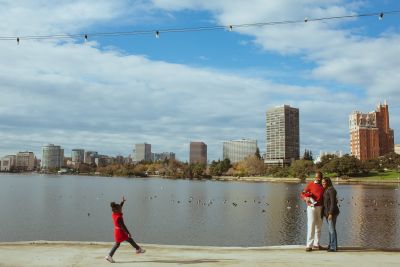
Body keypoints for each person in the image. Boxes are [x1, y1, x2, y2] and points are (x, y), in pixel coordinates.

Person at [105, 196, 145, 263]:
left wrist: (122, 202)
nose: (121, 209)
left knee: (129, 240)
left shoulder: (114, 214)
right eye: (120, 209)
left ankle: (138, 249)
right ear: (117, 210)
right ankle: (109, 256)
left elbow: (119, 207)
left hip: (118, 231)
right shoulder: (118, 217)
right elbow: (123, 226)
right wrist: (128, 233)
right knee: (118, 244)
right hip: (120, 232)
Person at [301, 171, 325, 252]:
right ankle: (309, 245)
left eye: (318, 177)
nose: (317, 178)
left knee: (319, 226)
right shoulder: (311, 184)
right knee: (311, 225)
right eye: (316, 177)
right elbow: (303, 193)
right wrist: (306, 198)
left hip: (321, 207)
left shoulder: (323, 185)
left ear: (321, 177)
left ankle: (316, 244)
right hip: (311, 207)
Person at [322, 177, 340, 252]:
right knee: (330, 229)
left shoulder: (331, 190)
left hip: (331, 213)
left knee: (332, 230)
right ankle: (331, 245)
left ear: (328, 182)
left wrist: (330, 213)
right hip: (327, 213)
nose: (322, 183)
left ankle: (333, 247)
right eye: (322, 182)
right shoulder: (327, 190)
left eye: (324, 182)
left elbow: (333, 203)